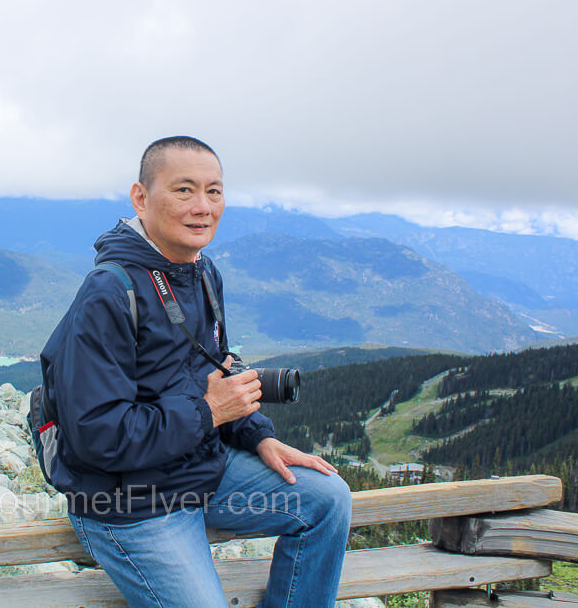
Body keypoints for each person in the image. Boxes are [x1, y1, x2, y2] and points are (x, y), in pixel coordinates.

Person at [40, 136, 351, 607]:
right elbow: (96, 437)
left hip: (198, 472)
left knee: (327, 499)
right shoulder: (108, 293)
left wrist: (257, 436)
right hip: (127, 503)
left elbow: (217, 374)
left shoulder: (202, 274)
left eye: (214, 191)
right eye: (183, 190)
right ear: (140, 198)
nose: (202, 207)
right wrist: (208, 413)